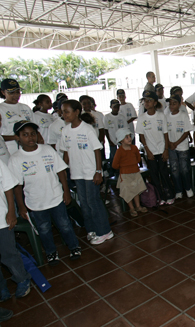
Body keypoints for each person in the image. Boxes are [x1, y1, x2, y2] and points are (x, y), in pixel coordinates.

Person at [9, 121, 81, 265]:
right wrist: (21, 207)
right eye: (25, 135)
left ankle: (74, 247)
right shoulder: (15, 159)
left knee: (65, 224)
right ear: (18, 137)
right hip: (35, 202)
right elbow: (16, 186)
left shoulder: (47, 150)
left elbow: (61, 171)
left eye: (33, 134)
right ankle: (51, 252)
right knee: (44, 229)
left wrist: (66, 192)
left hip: (55, 197)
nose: (30, 137)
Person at [60, 99, 114, 245]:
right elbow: (65, 153)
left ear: (76, 112)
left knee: (93, 201)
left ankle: (105, 231)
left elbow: (97, 150)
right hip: (77, 173)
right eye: (62, 111)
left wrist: (98, 171)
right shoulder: (65, 131)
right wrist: (63, 171)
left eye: (67, 111)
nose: (63, 114)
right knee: (84, 202)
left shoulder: (87, 129)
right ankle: (92, 229)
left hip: (91, 172)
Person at [0, 157, 31, 300]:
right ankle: (1, 288)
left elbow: (8, 186)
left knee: (9, 253)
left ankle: (22, 278)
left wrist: (11, 211)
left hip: (1, 219)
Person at [136, 90, 175, 205]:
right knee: (154, 175)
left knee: (164, 173)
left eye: (149, 100)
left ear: (155, 103)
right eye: (145, 101)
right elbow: (141, 136)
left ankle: (170, 195)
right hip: (151, 152)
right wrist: (148, 151)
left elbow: (165, 134)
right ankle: (160, 197)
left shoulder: (161, 116)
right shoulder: (142, 118)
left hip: (161, 150)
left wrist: (166, 150)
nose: (146, 103)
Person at [111, 128, 148, 216]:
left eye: (129, 136)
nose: (129, 138)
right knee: (128, 191)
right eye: (126, 137)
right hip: (125, 174)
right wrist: (123, 167)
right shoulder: (119, 151)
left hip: (135, 172)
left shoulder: (134, 148)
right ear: (121, 140)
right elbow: (114, 165)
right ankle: (131, 208)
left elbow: (138, 158)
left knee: (136, 189)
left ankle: (138, 206)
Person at [166, 95, 194, 199]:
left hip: (182, 146)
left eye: (174, 103)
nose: (171, 106)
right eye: (170, 104)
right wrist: (169, 143)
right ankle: (178, 190)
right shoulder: (166, 116)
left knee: (184, 169)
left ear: (179, 104)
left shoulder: (183, 115)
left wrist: (176, 143)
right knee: (174, 169)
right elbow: (165, 132)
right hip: (171, 147)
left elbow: (186, 132)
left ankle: (187, 188)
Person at [0, 79, 34, 155]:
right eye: (11, 93)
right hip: (10, 152)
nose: (16, 95)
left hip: (29, 150)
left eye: (18, 92)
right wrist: (15, 137)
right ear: (3, 92)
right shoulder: (1, 109)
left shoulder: (26, 108)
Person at [104, 99, 127, 173]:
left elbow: (125, 129)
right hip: (112, 140)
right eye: (114, 107)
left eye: (117, 107)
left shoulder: (122, 117)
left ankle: (122, 171)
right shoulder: (107, 117)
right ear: (110, 107)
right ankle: (113, 173)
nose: (116, 108)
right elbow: (106, 130)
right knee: (114, 157)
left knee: (122, 156)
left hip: (121, 140)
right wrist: (110, 141)